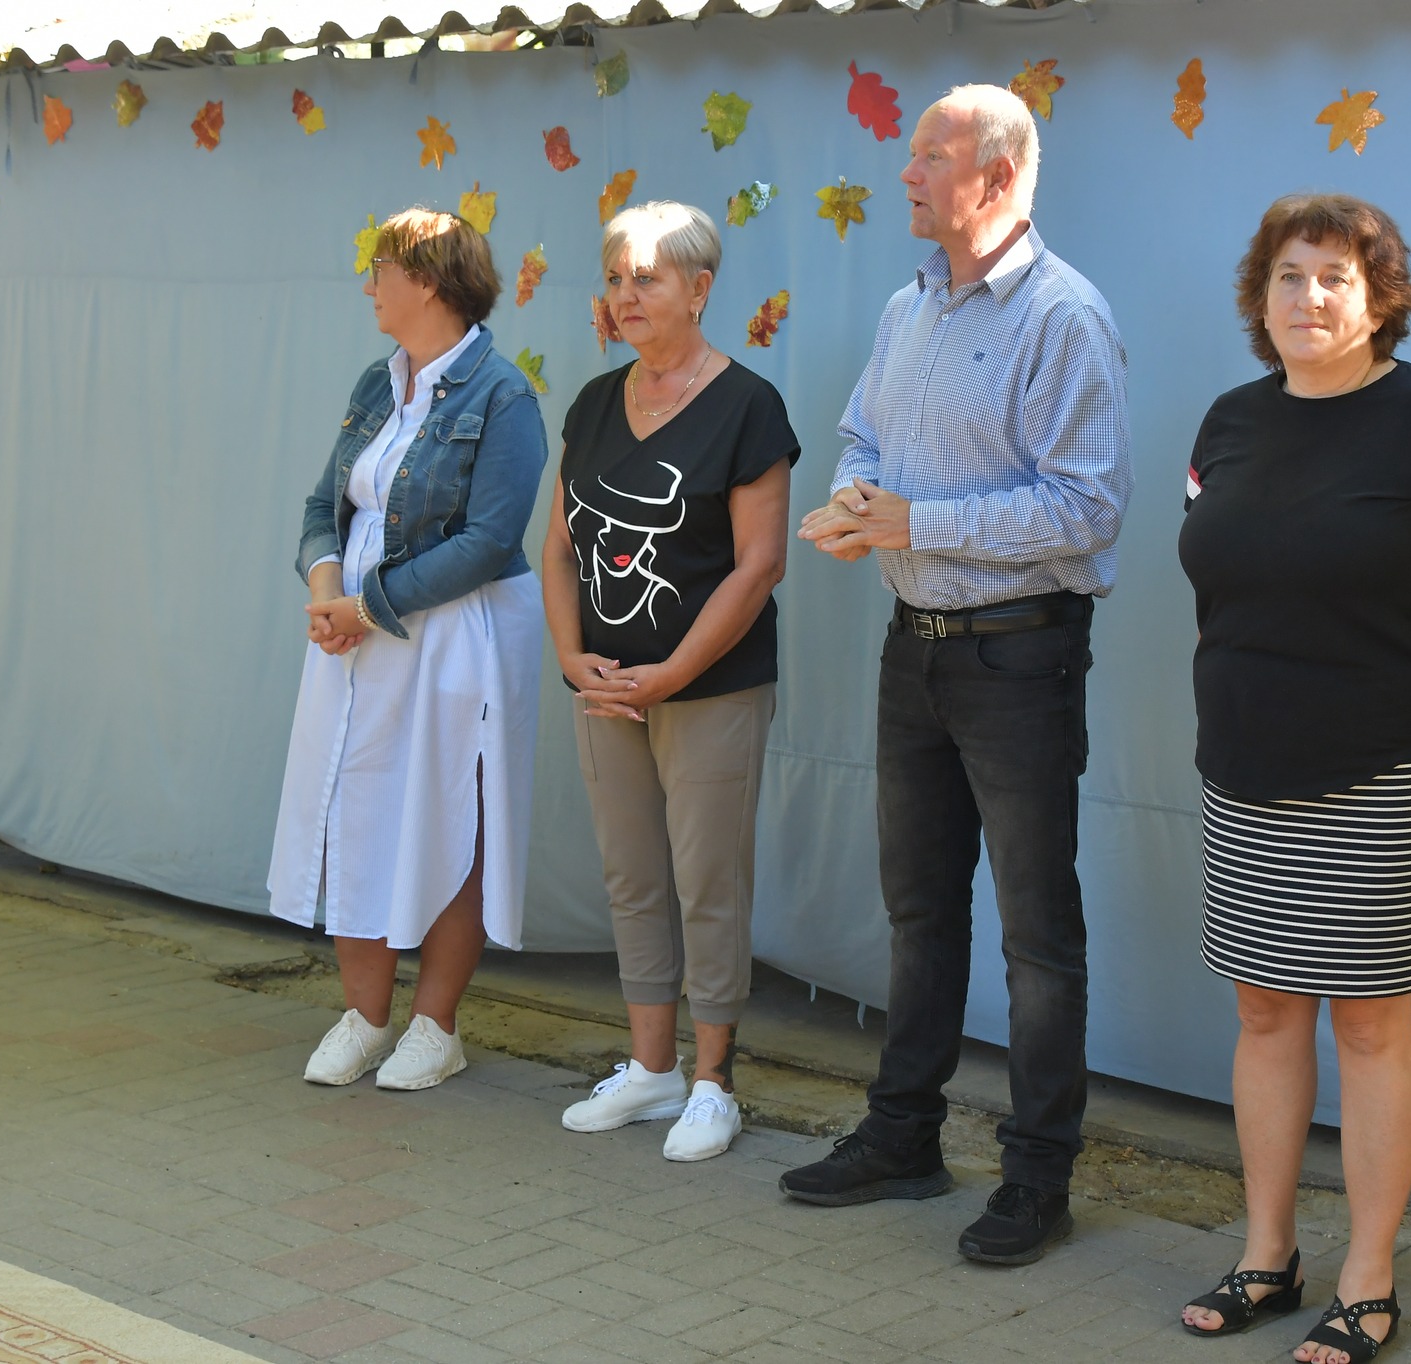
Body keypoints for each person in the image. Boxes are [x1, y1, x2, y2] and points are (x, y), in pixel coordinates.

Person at [1174, 194, 1411, 1364]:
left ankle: (1367, 1275)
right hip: (1243, 760)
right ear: (1258, 295)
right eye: (1288, 274)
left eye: (1335, 276)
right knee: (1262, 1006)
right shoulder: (1228, 422)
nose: (1308, 296)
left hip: (1383, 766)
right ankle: (1265, 1253)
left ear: (1379, 300)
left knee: (1369, 1021)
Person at [788, 85, 1132, 1264]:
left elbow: (1086, 508)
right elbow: (864, 436)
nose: (906, 174)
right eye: (911, 155)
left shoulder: (1063, 316)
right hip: (914, 647)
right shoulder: (909, 305)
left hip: (1020, 654)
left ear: (995, 176)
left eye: (928, 155)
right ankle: (904, 1136)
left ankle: (1037, 1176)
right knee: (919, 909)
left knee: (1036, 933)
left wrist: (915, 523)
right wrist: (855, 502)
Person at [267, 208, 548, 1093]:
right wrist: (327, 593)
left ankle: (436, 1026)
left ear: (425, 282)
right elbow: (324, 505)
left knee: (447, 818)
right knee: (352, 808)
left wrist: (366, 605)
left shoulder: (503, 396)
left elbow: (489, 540)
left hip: (455, 639)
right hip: (353, 637)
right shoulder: (375, 383)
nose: (369, 287)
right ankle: (366, 1017)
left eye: (381, 270)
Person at [542, 201, 798, 1162]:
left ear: (700, 289)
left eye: (646, 278)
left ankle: (713, 1083)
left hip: (710, 690)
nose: (625, 295)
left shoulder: (749, 406)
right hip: (606, 688)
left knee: (708, 882)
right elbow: (558, 548)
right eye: (615, 279)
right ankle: (651, 1069)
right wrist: (571, 657)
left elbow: (760, 564)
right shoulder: (592, 404)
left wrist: (672, 674)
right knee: (632, 876)